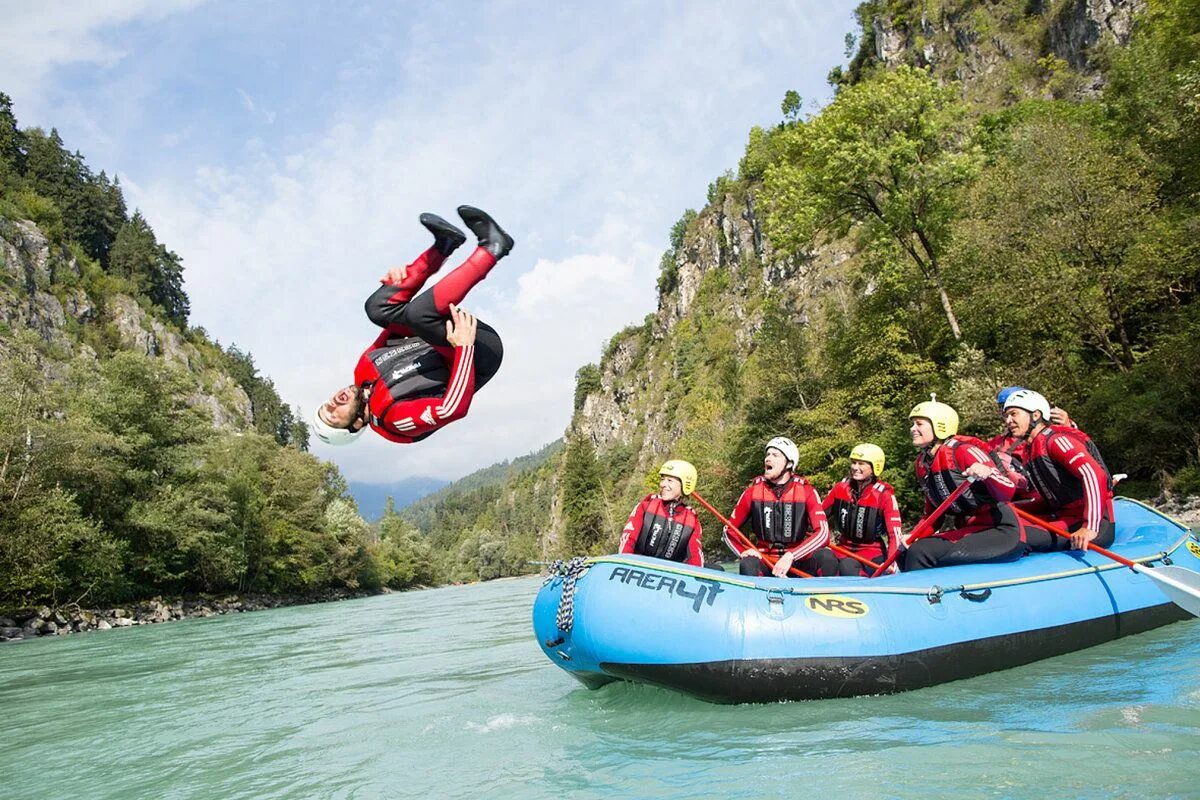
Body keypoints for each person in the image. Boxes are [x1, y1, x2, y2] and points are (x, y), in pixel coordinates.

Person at [311, 206, 512, 446]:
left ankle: (444, 245)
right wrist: (465, 347)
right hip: (477, 352)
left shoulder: (362, 372)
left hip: (443, 338)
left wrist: (400, 285)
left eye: (326, 406)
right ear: (355, 425)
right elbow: (451, 409)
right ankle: (492, 247)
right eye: (333, 416)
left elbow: (396, 325)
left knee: (377, 308)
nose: (332, 403)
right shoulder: (395, 419)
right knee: (419, 315)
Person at [904, 395, 1026, 571]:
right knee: (908, 550)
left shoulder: (963, 450)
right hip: (970, 530)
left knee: (921, 552)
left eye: (919, 424)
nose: (912, 429)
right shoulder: (922, 464)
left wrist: (988, 474)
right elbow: (933, 516)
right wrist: (911, 537)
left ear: (939, 425)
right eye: (912, 424)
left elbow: (1008, 490)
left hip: (1000, 530)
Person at [1001, 389, 1115, 551]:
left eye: (1014, 414)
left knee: (1009, 534)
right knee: (1002, 522)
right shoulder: (1031, 448)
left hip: (1091, 522)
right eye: (1006, 416)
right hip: (1064, 516)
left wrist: (1089, 526)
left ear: (1035, 415)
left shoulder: (1056, 440)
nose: (1008, 421)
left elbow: (1093, 474)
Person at [725, 437, 835, 577]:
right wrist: (742, 551)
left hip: (797, 560)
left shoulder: (807, 492)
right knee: (748, 562)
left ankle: (823, 596)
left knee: (826, 557)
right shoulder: (752, 492)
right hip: (765, 559)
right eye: (768, 454)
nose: (768, 459)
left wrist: (791, 556)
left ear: (789, 464)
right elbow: (729, 530)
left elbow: (823, 534)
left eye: (775, 455)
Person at [822, 443, 904, 576]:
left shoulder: (884, 494)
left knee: (847, 566)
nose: (855, 467)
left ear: (874, 467)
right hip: (843, 550)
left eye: (861, 464)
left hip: (872, 553)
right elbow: (818, 517)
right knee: (823, 559)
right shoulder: (840, 488)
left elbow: (894, 534)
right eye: (854, 463)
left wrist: (891, 562)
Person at [618, 460, 704, 566]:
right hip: (637, 566)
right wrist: (625, 564)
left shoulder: (692, 520)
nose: (663, 484)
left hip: (669, 573)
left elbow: (695, 556)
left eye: (670, 480)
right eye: (662, 479)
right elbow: (628, 539)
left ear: (684, 485)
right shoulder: (645, 506)